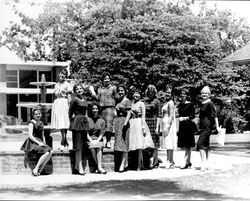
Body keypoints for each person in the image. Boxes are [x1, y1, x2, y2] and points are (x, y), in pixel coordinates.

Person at [127, 88, 155, 171]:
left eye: (138, 94)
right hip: (132, 123)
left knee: (139, 145)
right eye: (135, 93)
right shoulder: (131, 103)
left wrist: (143, 126)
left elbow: (143, 116)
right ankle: (132, 164)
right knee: (133, 144)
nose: (136, 95)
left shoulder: (141, 104)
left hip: (139, 123)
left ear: (140, 95)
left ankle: (139, 164)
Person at [20, 108, 53, 176]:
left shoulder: (41, 123)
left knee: (51, 151)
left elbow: (42, 135)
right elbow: (30, 135)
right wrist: (39, 143)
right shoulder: (31, 123)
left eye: (39, 114)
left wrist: (44, 143)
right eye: (36, 114)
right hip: (32, 142)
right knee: (46, 153)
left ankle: (40, 169)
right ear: (33, 115)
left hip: (40, 141)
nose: (38, 115)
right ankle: (36, 168)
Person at [196, 86, 219, 171]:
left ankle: (203, 163)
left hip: (207, 128)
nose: (204, 94)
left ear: (209, 94)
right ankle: (208, 163)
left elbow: (215, 116)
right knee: (205, 145)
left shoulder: (210, 103)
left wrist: (217, 127)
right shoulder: (202, 103)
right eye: (203, 93)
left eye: (206, 93)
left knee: (200, 144)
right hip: (202, 127)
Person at [69, 83, 90, 175]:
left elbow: (86, 112)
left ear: (83, 89)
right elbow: (69, 113)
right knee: (78, 147)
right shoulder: (74, 100)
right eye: (77, 89)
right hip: (77, 122)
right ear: (75, 91)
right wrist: (73, 123)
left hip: (84, 122)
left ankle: (77, 166)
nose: (79, 90)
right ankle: (80, 167)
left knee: (83, 145)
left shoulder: (85, 99)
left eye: (80, 88)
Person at [51, 68, 72, 151]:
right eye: (61, 73)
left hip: (64, 103)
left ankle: (63, 142)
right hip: (57, 103)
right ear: (58, 74)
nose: (62, 75)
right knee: (60, 123)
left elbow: (69, 97)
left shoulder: (67, 84)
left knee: (64, 122)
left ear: (65, 76)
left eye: (64, 74)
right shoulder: (56, 85)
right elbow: (55, 94)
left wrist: (70, 108)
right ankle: (65, 141)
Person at [113, 85, 132, 172]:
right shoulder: (117, 100)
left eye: (122, 91)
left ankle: (123, 164)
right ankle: (125, 163)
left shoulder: (127, 101)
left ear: (125, 92)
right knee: (119, 143)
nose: (120, 92)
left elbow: (129, 113)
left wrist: (125, 123)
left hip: (124, 122)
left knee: (124, 143)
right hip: (118, 122)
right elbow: (115, 111)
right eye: (119, 91)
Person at [96, 72, 117, 148]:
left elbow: (116, 98)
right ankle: (102, 140)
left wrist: (115, 109)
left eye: (108, 78)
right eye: (105, 79)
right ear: (102, 80)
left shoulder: (113, 88)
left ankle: (108, 141)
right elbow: (97, 98)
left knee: (109, 126)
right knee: (102, 125)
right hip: (101, 109)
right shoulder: (100, 89)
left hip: (110, 108)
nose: (107, 80)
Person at [177, 89, 196, 169]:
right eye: (181, 94)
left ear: (187, 95)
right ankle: (188, 161)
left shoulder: (190, 104)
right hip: (182, 126)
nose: (182, 95)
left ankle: (185, 161)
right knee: (185, 144)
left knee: (188, 144)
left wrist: (184, 118)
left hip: (188, 125)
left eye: (184, 94)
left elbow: (193, 115)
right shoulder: (180, 104)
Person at [143, 85, 161, 169]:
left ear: (154, 92)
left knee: (155, 142)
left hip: (154, 122)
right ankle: (148, 160)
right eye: (149, 92)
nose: (150, 94)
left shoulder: (157, 101)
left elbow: (159, 115)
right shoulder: (144, 101)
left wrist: (157, 127)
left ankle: (154, 160)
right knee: (146, 143)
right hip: (146, 122)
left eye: (152, 92)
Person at [87, 102, 107, 174]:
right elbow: (87, 134)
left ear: (98, 110)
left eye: (96, 109)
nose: (94, 110)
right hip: (90, 139)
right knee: (92, 149)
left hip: (99, 139)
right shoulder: (88, 120)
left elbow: (102, 133)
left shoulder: (102, 121)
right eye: (93, 109)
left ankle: (98, 167)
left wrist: (97, 140)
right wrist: (91, 140)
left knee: (98, 147)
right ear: (91, 110)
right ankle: (99, 166)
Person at [161, 86, 177, 169]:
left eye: (169, 93)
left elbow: (171, 115)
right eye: (166, 92)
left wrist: (167, 125)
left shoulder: (171, 103)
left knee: (169, 142)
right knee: (168, 142)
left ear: (172, 94)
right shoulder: (165, 102)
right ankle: (171, 160)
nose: (167, 94)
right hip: (165, 123)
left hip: (169, 124)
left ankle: (168, 160)